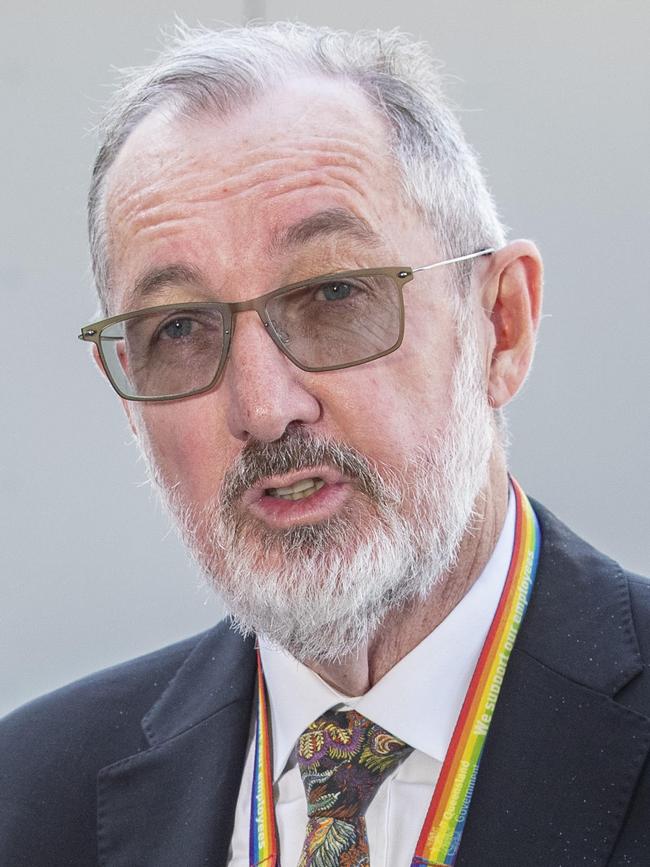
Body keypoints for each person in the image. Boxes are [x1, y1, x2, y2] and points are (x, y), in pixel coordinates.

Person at [1, 22, 648, 867]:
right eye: (182, 329)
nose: (265, 408)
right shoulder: (28, 801)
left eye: (334, 293)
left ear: (501, 324)